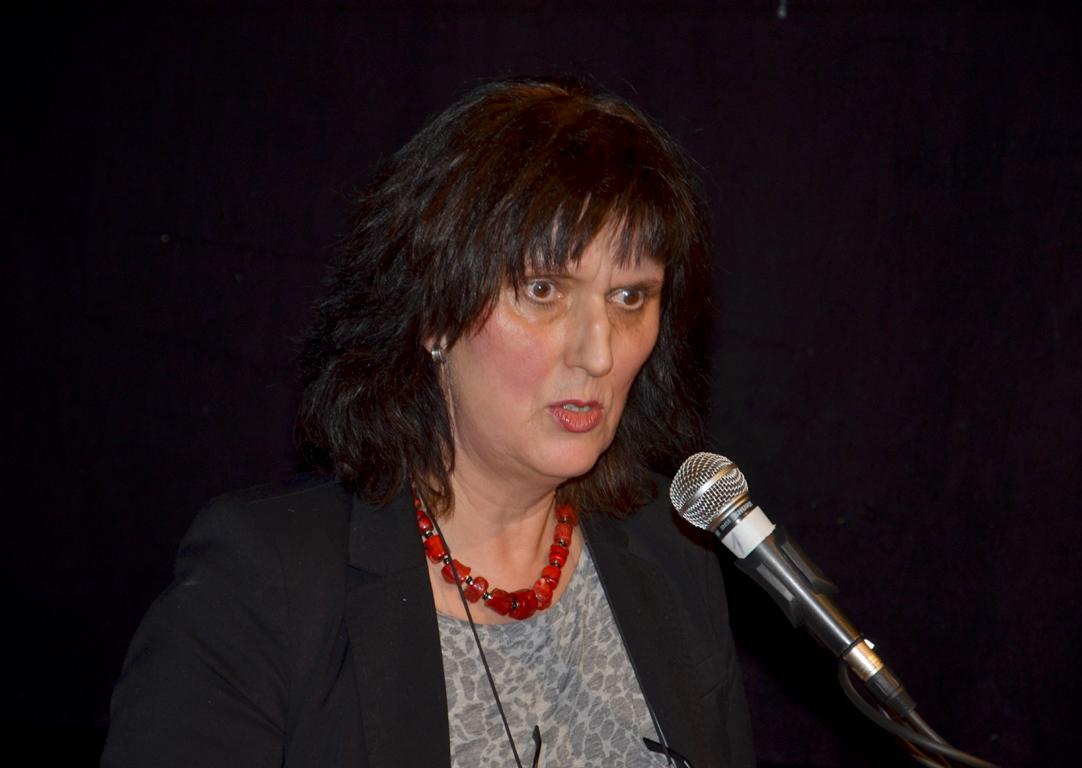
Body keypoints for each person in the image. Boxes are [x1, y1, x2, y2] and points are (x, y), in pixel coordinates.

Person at [102, 75, 754, 768]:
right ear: (434, 314)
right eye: (543, 289)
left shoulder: (673, 549)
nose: (599, 352)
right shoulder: (266, 581)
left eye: (630, 297)